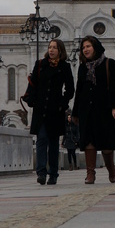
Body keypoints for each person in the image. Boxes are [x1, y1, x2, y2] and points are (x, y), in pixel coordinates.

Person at [73, 35, 115, 185]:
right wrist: (75, 112)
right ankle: (90, 174)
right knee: (89, 143)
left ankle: (111, 169)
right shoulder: (82, 67)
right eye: (83, 47)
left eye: (88, 46)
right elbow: (79, 90)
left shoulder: (109, 63)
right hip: (87, 110)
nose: (85, 49)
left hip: (105, 110)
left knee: (107, 146)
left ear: (95, 47)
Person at [29, 38, 75, 186]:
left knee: (53, 143)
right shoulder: (40, 64)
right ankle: (41, 172)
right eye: (50, 47)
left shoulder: (64, 67)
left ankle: (53, 173)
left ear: (60, 50)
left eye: (55, 47)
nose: (51, 50)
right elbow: (33, 83)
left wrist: (62, 104)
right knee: (41, 139)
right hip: (41, 108)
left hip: (55, 110)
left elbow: (70, 89)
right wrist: (32, 99)